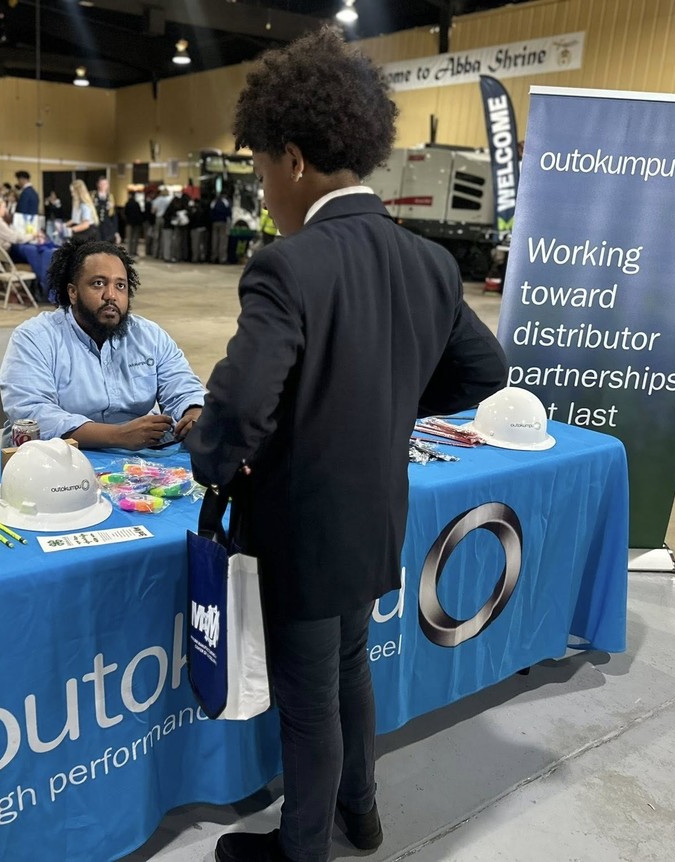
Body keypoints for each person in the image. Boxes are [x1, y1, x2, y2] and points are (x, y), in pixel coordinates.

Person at [185, 28, 508, 862]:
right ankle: (360, 816)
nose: (262, 188)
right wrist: (392, 404)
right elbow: (484, 368)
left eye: (260, 169)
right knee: (350, 669)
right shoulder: (429, 261)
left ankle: (302, 851)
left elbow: (238, 405)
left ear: (293, 159)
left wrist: (214, 464)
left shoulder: (287, 265)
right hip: (376, 515)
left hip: (300, 524)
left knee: (307, 701)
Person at [0, 238, 206, 449]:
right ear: (73, 292)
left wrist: (193, 413)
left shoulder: (150, 336)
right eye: (98, 283)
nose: (111, 295)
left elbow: (184, 387)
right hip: (55, 462)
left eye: (120, 285)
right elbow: (32, 414)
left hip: (136, 464)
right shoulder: (35, 337)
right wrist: (118, 436)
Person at [210, 188, 232, 263]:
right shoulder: (225, 202)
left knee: (214, 240)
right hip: (223, 222)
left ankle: (214, 257)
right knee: (223, 241)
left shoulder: (214, 202)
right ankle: (222, 258)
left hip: (214, 223)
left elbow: (210, 211)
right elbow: (229, 212)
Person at [93, 176, 117, 242]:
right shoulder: (93, 195)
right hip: (96, 224)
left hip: (107, 225)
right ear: (98, 184)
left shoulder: (110, 196)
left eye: (106, 184)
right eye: (102, 184)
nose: (104, 186)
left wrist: (115, 231)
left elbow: (113, 214)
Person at [123, 190, 144, 257]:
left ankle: (129, 252)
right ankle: (134, 251)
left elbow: (125, 213)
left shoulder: (127, 203)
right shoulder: (137, 204)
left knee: (129, 238)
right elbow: (139, 214)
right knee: (135, 238)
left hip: (129, 223)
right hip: (136, 223)